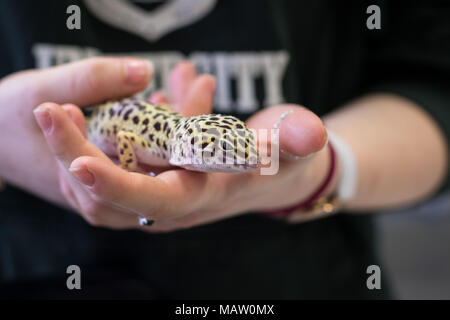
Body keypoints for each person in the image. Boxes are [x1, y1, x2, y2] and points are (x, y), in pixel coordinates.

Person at [0, 0, 448, 299]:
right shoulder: (162, 140)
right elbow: (130, 143)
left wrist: (321, 173)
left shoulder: (184, 139)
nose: (239, 160)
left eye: (234, 147)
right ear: (191, 144)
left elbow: (430, 82)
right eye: (221, 150)